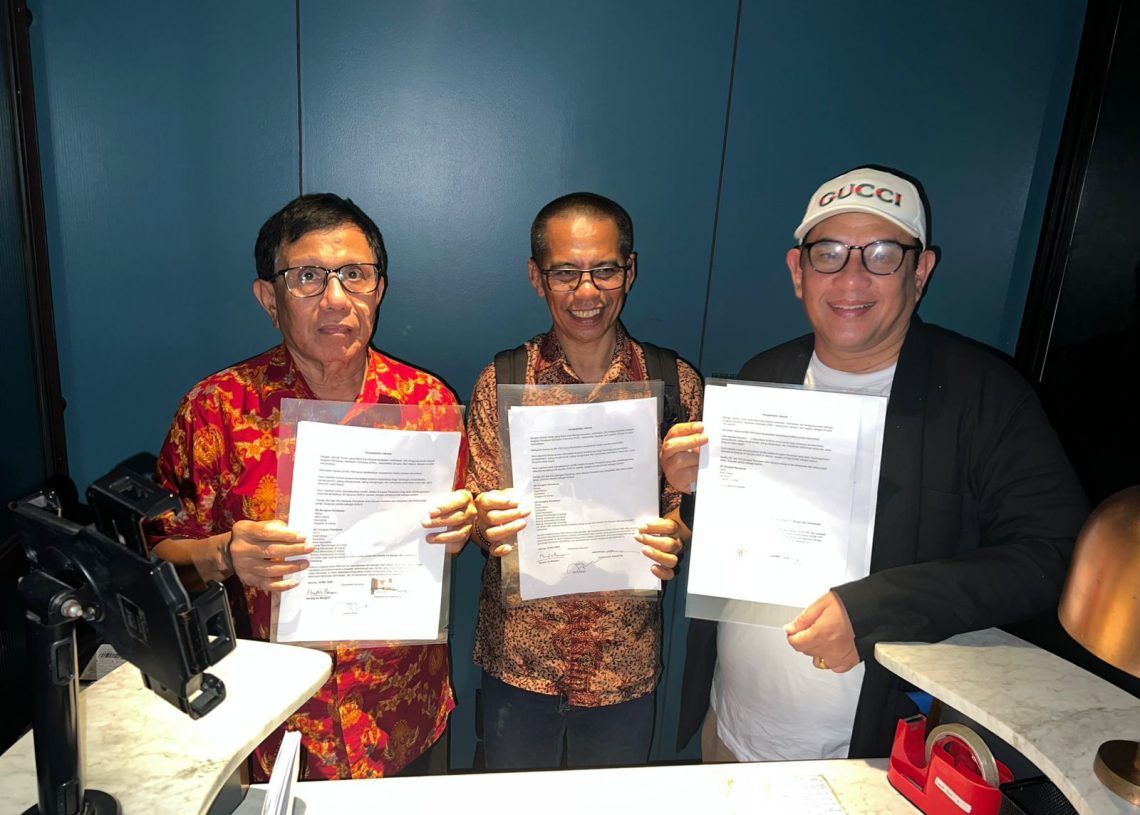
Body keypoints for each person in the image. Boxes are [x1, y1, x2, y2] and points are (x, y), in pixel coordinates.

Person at [663, 167, 1089, 761]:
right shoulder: (765, 375)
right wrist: (695, 486)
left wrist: (875, 611)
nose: (851, 277)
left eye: (883, 255)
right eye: (829, 253)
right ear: (798, 271)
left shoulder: (984, 397)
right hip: (733, 729)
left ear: (921, 271)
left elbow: (1052, 553)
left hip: (871, 755)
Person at [150, 193, 475, 780]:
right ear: (268, 299)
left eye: (354, 275)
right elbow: (153, 559)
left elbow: (452, 532)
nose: (336, 299)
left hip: (402, 714)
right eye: (307, 277)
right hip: (268, 726)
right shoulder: (217, 409)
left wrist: (459, 528)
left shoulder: (428, 403)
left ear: (378, 289)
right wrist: (222, 554)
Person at [466, 192, 703, 769]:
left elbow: (691, 518)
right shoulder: (504, 380)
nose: (587, 291)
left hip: (623, 666)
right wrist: (485, 524)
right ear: (537, 277)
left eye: (605, 270)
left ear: (630, 271)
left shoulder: (674, 383)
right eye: (565, 273)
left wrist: (677, 534)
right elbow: (476, 513)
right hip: (519, 666)